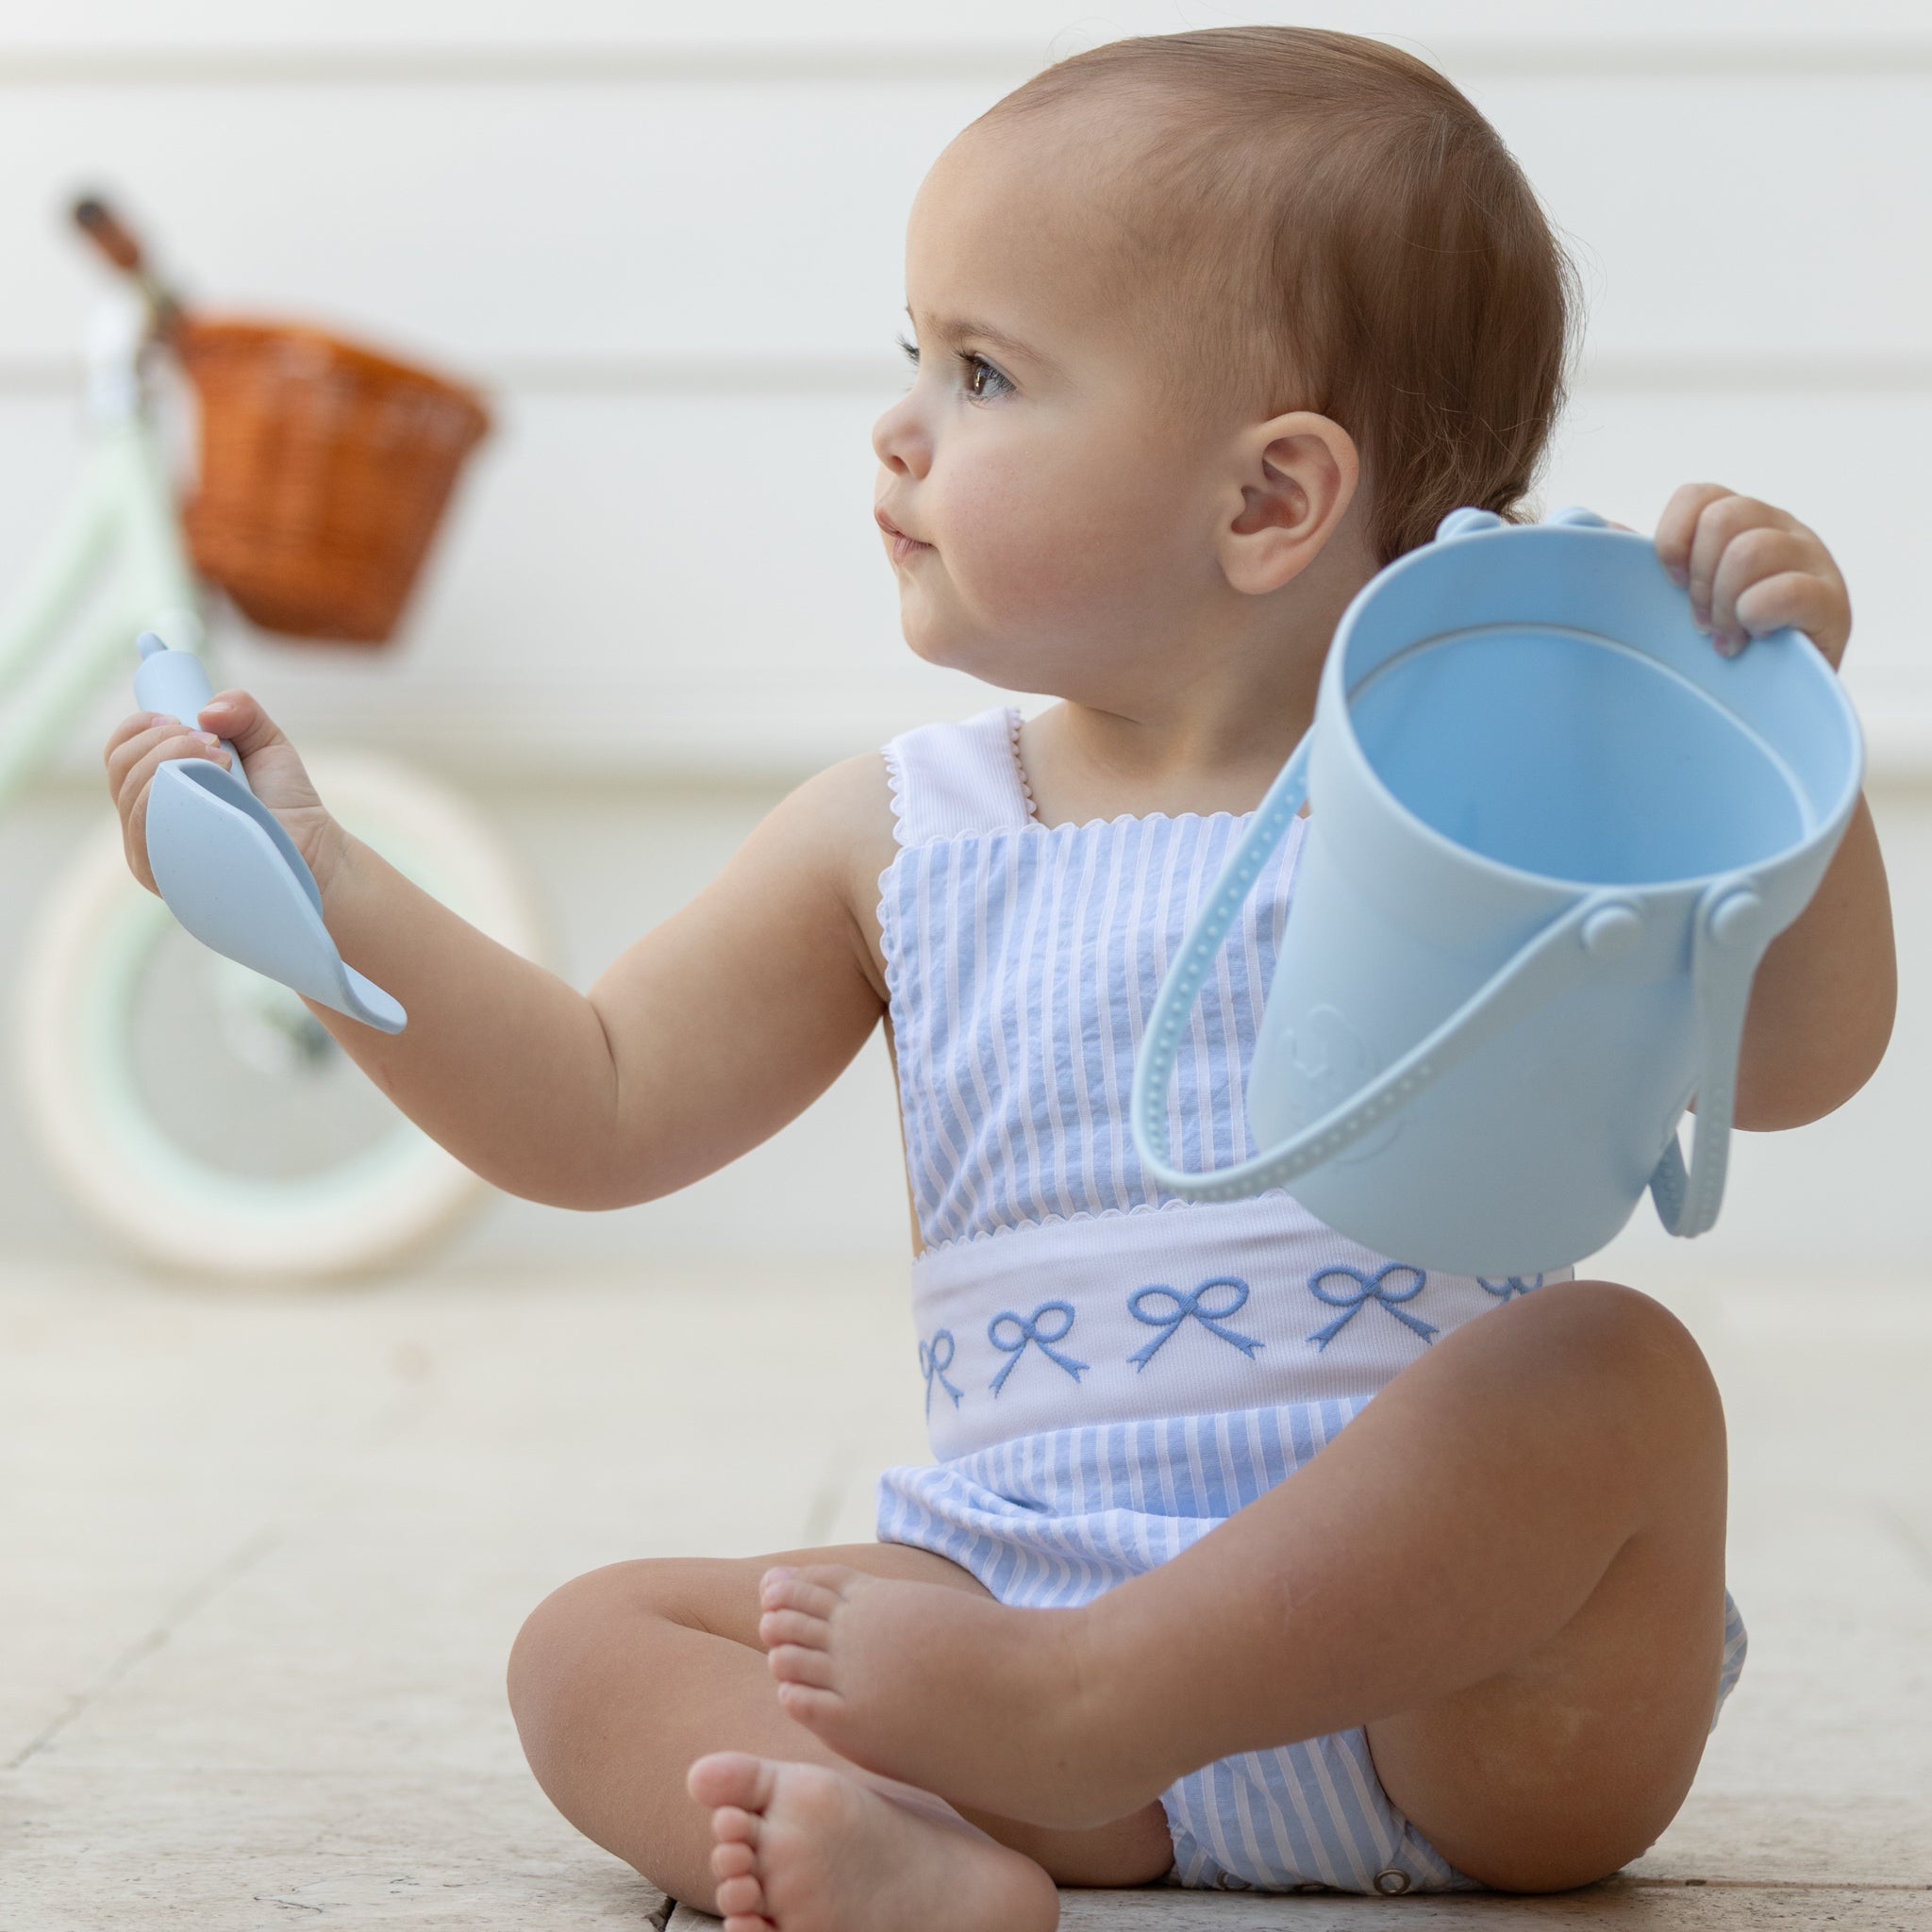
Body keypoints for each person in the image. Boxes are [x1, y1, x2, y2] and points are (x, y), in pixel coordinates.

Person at [103, 26, 1896, 1932]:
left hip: (1456, 1701)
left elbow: (1789, 1063)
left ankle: (1089, 1715)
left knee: (1609, 1375)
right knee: (590, 1643)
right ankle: (947, 1858)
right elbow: (595, 1098)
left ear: (1267, 499)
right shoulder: (900, 836)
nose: (897, 429)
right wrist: (330, 888)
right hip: (1020, 1606)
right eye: (914, 358)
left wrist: (1773, 738)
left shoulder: (1503, 792)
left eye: (981, 373)